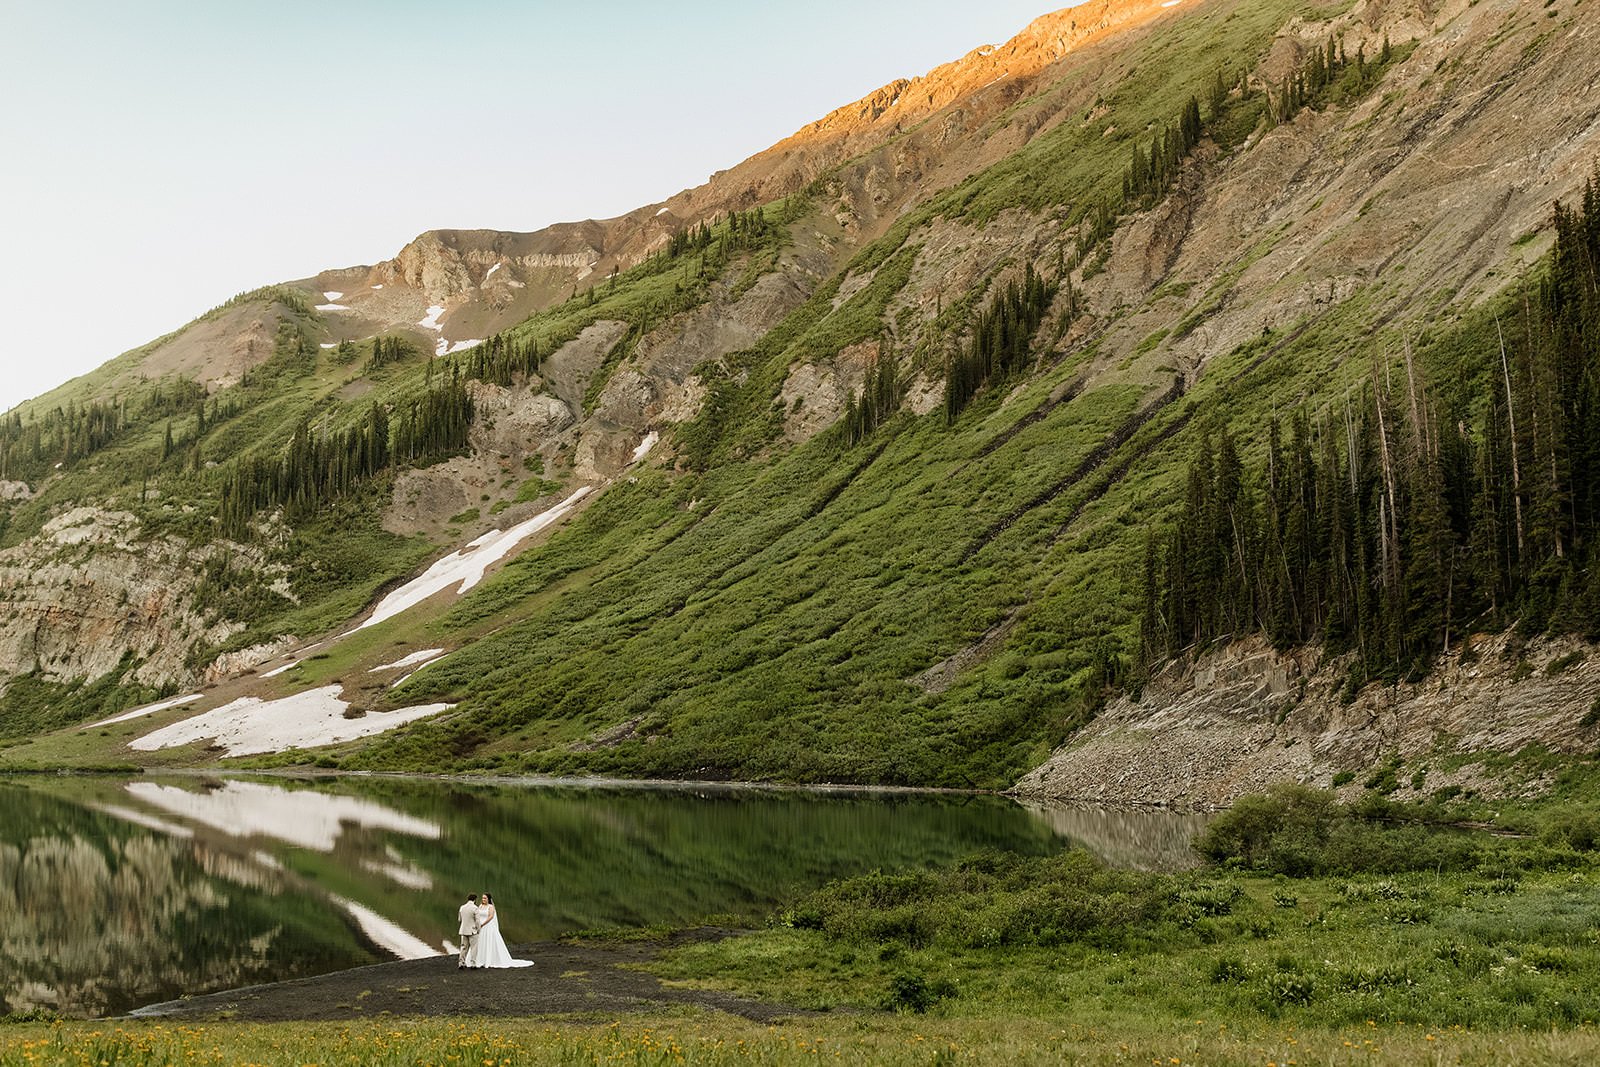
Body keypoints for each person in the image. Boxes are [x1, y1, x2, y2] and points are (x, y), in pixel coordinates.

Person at [464, 892, 533, 969]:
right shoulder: (480, 906)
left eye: (485, 898)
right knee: (478, 943)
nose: (483, 899)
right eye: (483, 898)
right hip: (480, 927)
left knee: (489, 942)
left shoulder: (491, 907)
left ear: (488, 899)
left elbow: (490, 917)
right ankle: (476, 960)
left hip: (488, 926)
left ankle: (489, 960)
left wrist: (483, 924)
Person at [456, 893, 480, 970]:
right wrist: (478, 929)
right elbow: (477, 921)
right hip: (472, 931)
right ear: (475, 899)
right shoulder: (475, 908)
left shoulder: (462, 907)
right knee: (474, 948)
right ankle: (473, 964)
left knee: (463, 947)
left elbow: (459, 919)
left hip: (463, 930)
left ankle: (461, 963)